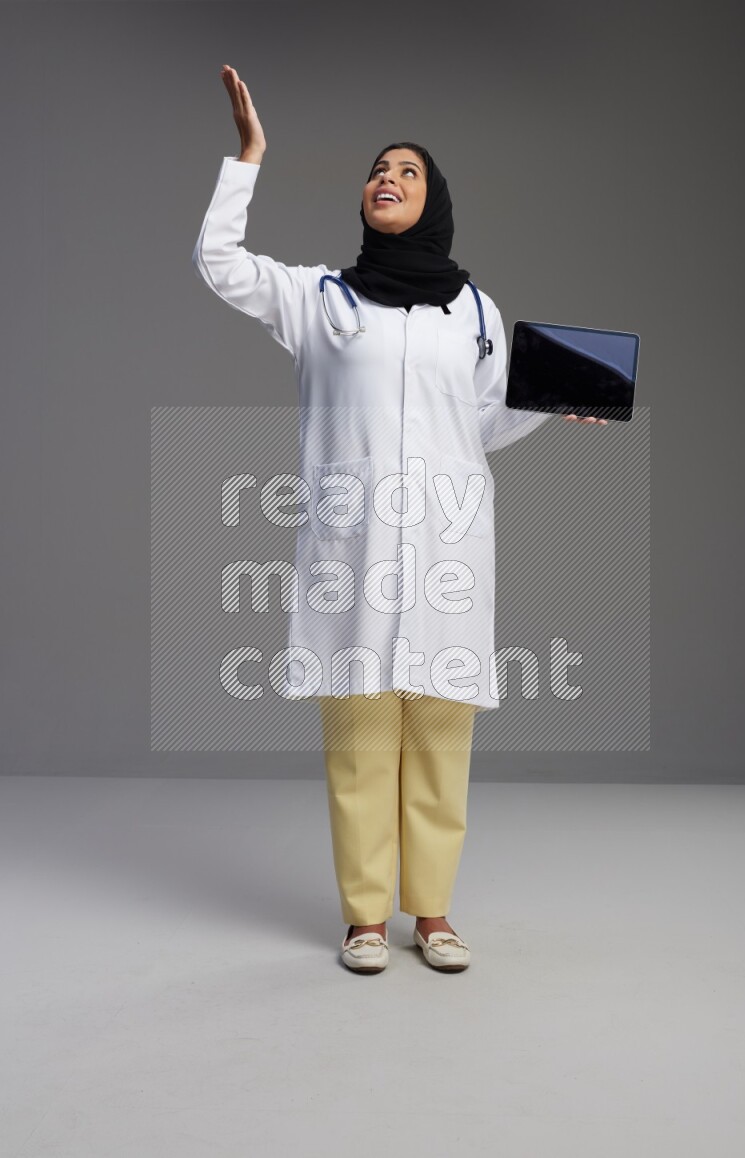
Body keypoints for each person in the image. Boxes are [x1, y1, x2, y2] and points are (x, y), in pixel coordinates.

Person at [192, 64, 608, 974]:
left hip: (447, 553)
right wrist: (248, 157)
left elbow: (481, 424)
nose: (387, 177)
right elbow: (220, 265)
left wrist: (556, 399)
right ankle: (366, 918)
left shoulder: (476, 312)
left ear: (434, 201)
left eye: (407, 171)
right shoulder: (319, 300)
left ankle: (435, 913)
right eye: (378, 169)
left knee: (441, 741)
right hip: (355, 552)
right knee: (360, 743)